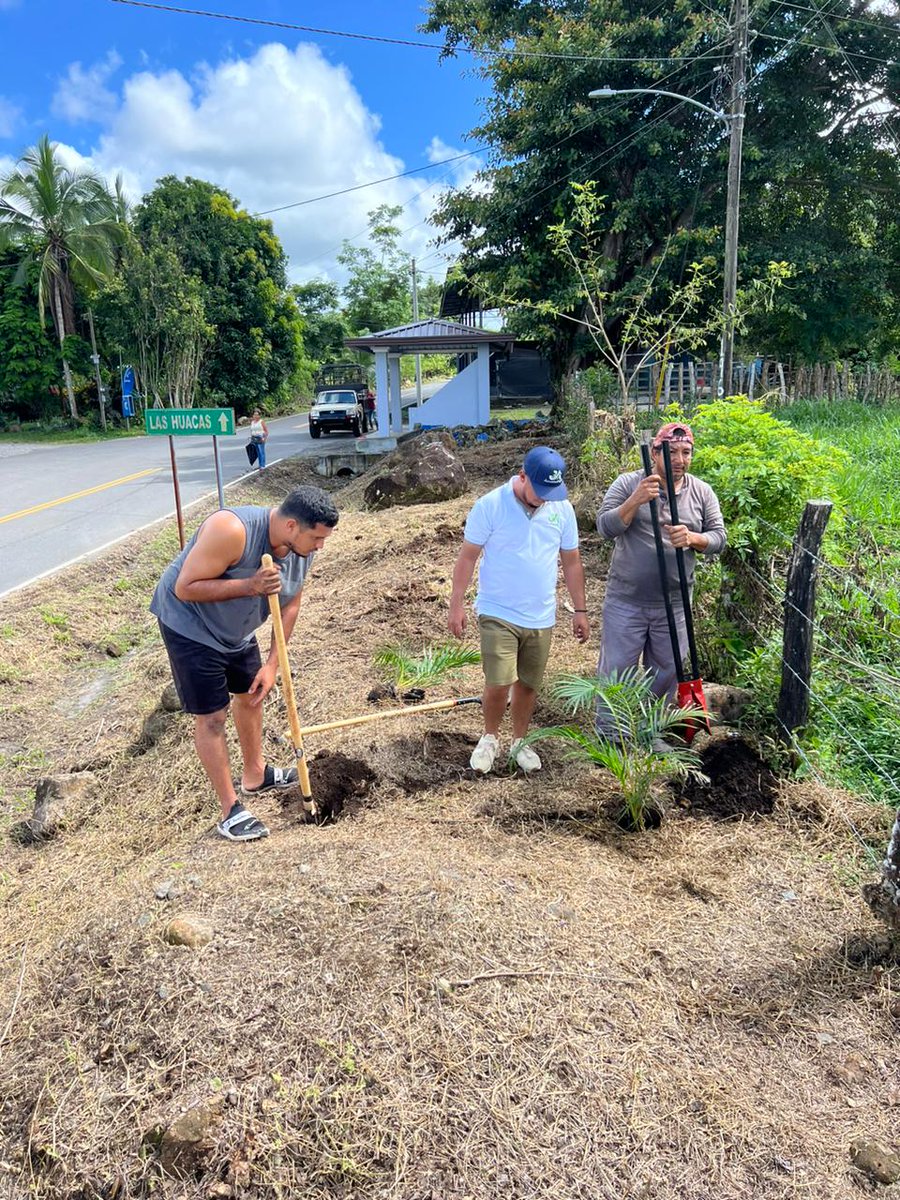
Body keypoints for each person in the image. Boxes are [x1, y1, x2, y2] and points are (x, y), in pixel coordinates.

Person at [150, 486, 339, 841]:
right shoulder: (231, 530)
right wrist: (250, 585)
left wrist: (272, 665)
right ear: (292, 525)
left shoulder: (301, 549)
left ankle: (255, 774)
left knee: (252, 694)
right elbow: (185, 587)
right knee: (212, 717)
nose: (320, 547)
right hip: (190, 626)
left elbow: (290, 605)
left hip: (236, 629)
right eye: (317, 538)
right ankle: (230, 810)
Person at [448, 446, 590, 774]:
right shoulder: (491, 505)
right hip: (498, 610)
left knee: (528, 684)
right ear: (522, 476)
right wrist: (456, 604)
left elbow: (571, 561)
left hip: (541, 614)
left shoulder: (561, 508)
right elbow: (468, 556)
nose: (545, 498)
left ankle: (520, 741)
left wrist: (580, 610)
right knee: (499, 681)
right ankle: (489, 738)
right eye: (540, 490)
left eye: (551, 491)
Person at [595, 421, 726, 737]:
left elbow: (719, 538)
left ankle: (651, 734)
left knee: (666, 673)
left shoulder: (701, 492)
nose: (680, 460)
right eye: (672, 452)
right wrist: (635, 500)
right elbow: (605, 527)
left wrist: (693, 539)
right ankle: (613, 737)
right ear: (654, 453)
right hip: (626, 600)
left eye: (686, 452)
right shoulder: (629, 483)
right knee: (617, 671)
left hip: (676, 603)